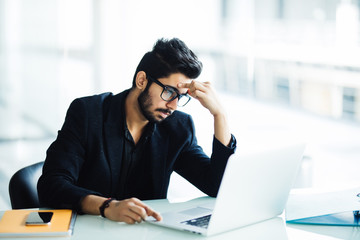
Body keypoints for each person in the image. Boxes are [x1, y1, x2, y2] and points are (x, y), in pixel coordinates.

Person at [37, 38, 236, 224]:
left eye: (181, 96)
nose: (173, 105)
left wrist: (220, 116)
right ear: (141, 80)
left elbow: (216, 185)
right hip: (89, 229)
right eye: (169, 92)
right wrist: (106, 206)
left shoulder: (177, 128)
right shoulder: (88, 113)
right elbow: (52, 185)